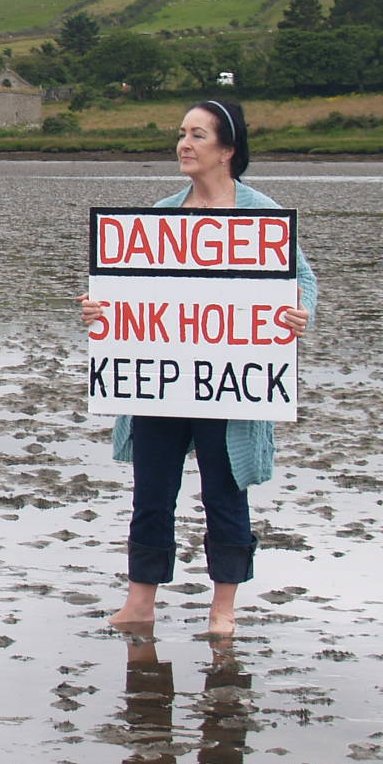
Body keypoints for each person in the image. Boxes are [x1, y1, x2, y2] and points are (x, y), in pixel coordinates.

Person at [79, 99, 318, 638]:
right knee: (152, 491)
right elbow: (127, 291)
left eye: (198, 136)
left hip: (230, 386)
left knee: (225, 492)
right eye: (182, 134)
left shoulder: (261, 213)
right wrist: (100, 310)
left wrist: (298, 314)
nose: (184, 144)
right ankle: (140, 601)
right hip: (162, 383)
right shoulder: (159, 215)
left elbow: (302, 281)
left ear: (228, 150)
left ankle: (223, 609)